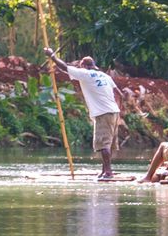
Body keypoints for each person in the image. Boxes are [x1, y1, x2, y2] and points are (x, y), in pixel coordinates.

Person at [45, 48, 123, 179]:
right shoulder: (106, 76)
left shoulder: (85, 74)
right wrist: (118, 108)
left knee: (103, 144)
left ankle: (108, 172)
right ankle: (105, 170)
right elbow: (120, 94)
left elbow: (64, 67)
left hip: (103, 113)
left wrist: (52, 56)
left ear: (84, 66)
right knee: (108, 144)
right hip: (114, 112)